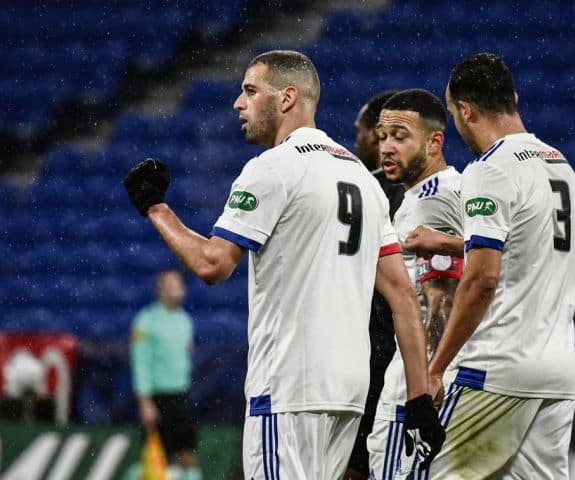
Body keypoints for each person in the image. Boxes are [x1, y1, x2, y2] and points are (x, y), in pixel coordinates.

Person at [123, 50, 444, 480]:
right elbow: (403, 295)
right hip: (347, 393)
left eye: (251, 91)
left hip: (290, 386)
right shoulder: (363, 179)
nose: (239, 103)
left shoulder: (273, 168)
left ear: (288, 97)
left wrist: (155, 207)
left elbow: (212, 264)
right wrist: (419, 398)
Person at [408, 53, 575, 479]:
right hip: (558, 369)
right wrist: (453, 242)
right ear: (514, 98)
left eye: (453, 114)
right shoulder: (561, 166)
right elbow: (527, 248)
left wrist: (436, 369)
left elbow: (483, 280)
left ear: (465, 110)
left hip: (499, 366)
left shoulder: (489, 170)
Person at [364, 89, 464, 480]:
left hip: (414, 379)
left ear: (434, 141)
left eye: (400, 136)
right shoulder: (436, 193)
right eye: (382, 135)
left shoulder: (433, 202)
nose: (386, 147)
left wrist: (424, 382)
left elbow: (443, 297)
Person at [344, 90, 403, 480]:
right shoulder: (434, 187)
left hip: (373, 351)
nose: (357, 142)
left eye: (360, 132)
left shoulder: (365, 190)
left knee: (353, 466)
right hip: (395, 351)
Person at [130, 270, 201, 480]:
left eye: (180, 286)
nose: (178, 291)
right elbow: (140, 362)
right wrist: (145, 402)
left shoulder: (185, 320)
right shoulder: (146, 321)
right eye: (172, 286)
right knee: (158, 458)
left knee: (187, 453)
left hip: (181, 395)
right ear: (160, 291)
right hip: (157, 398)